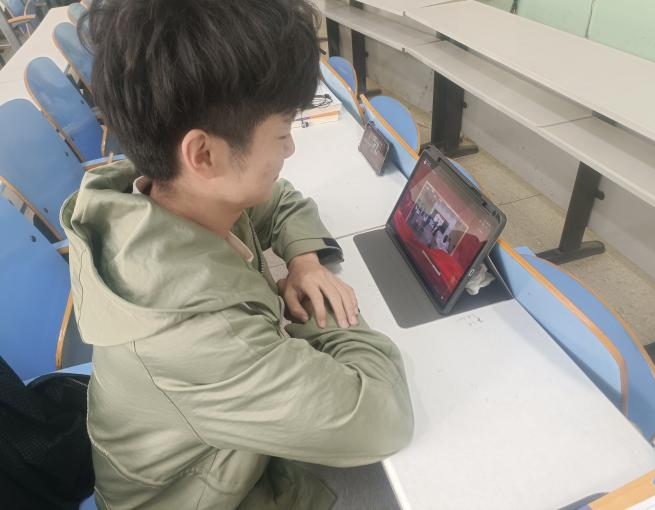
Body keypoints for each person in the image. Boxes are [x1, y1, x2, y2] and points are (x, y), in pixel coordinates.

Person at [61, 0, 414, 508]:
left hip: (221, 455)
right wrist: (322, 315)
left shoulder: (164, 196)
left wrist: (305, 263)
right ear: (204, 154)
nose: (290, 150)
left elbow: (280, 198)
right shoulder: (197, 335)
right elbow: (383, 419)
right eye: (283, 132)